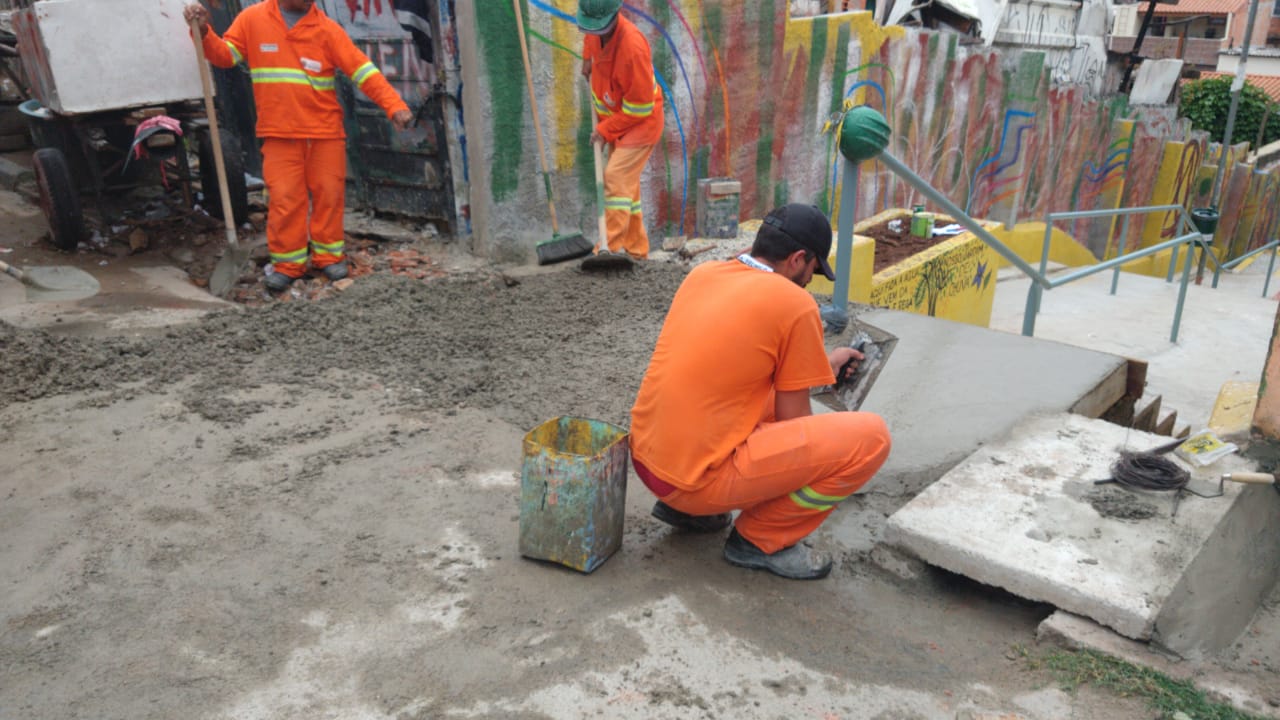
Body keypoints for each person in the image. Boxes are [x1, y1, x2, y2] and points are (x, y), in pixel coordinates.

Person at [629, 203, 892, 580]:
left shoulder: (705, 274)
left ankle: (691, 513)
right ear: (798, 259)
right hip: (692, 483)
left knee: (741, 396)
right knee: (872, 438)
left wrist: (820, 368)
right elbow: (795, 427)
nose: (808, 280)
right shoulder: (796, 304)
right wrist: (831, 463)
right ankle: (760, 539)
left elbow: (729, 373)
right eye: (813, 271)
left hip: (650, 462)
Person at [183, 0, 413, 292]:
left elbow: (362, 70)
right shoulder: (253, 19)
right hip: (279, 134)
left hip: (324, 133)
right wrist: (203, 31)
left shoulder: (327, 29)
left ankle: (328, 257)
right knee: (284, 199)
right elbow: (224, 56)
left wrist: (394, 106)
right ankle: (287, 265)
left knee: (328, 195)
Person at [577, 0, 663, 260]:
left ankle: (608, 248)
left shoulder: (633, 48)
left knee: (614, 177)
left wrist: (605, 131)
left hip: (641, 124)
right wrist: (587, 61)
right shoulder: (596, 31)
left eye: (598, 28)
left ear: (615, 16)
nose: (594, 32)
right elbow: (591, 42)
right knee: (628, 192)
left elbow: (641, 107)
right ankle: (637, 252)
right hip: (617, 117)